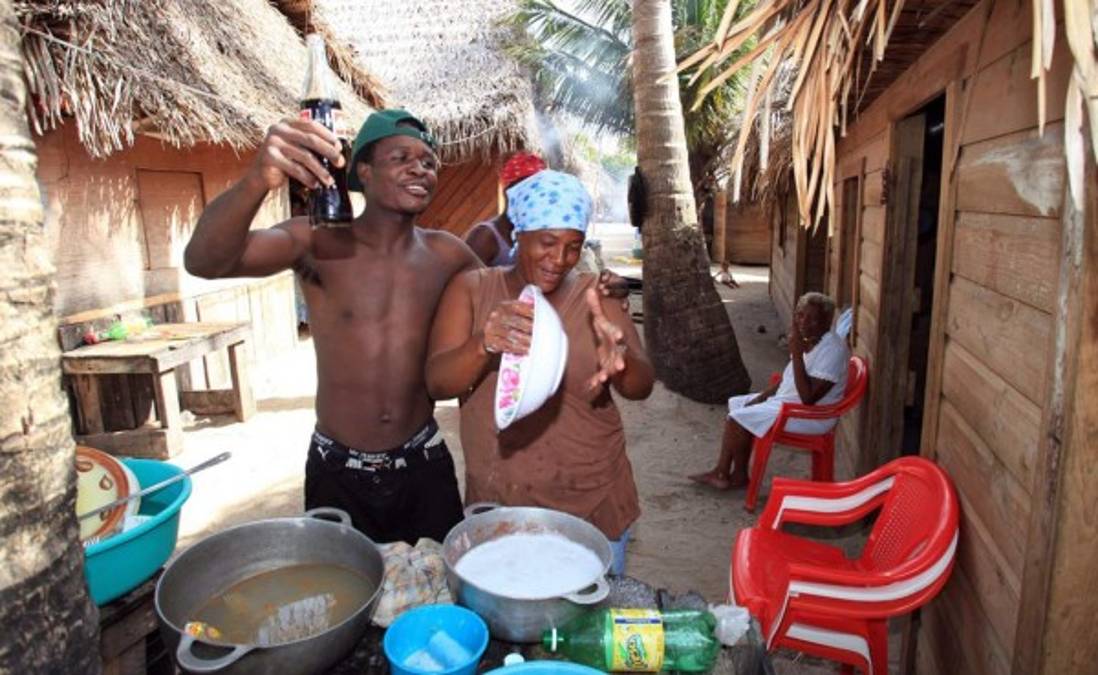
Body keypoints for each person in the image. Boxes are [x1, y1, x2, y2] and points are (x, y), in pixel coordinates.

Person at [184, 108, 482, 544]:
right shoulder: (316, 241)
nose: (420, 169)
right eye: (401, 158)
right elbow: (205, 262)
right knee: (345, 585)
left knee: (438, 581)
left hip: (423, 463)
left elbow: (505, 299)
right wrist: (257, 181)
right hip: (338, 470)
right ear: (364, 171)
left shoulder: (448, 255)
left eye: (428, 161)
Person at [425, 170, 655, 575]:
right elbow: (438, 382)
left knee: (587, 610)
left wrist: (621, 361)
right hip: (500, 504)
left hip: (591, 505)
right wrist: (483, 343)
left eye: (573, 246)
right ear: (520, 232)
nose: (559, 259)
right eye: (547, 242)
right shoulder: (472, 290)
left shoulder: (596, 297)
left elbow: (641, 386)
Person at [690, 292, 850, 490]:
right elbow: (788, 378)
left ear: (827, 321)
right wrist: (763, 397)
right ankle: (739, 475)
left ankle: (721, 473)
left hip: (809, 415)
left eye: (813, 319)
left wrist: (797, 354)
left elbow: (808, 398)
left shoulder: (832, 350)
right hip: (787, 402)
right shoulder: (810, 338)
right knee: (737, 404)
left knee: (736, 419)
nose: (804, 322)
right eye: (800, 315)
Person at [463, 152, 547, 267]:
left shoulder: (532, 237)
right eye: (524, 191)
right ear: (507, 193)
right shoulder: (485, 237)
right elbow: (464, 277)